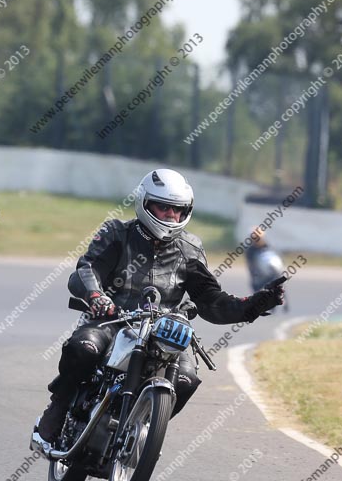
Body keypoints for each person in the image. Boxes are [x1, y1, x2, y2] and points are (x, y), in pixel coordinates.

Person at [34, 168, 285, 447]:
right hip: (114, 320)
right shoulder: (117, 233)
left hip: (166, 329)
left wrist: (251, 305)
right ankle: (58, 408)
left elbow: (211, 301)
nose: (170, 216)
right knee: (84, 348)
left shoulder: (190, 249)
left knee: (187, 380)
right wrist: (96, 296)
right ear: (144, 203)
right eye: (163, 207)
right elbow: (87, 269)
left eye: (177, 210)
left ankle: (142, 429)